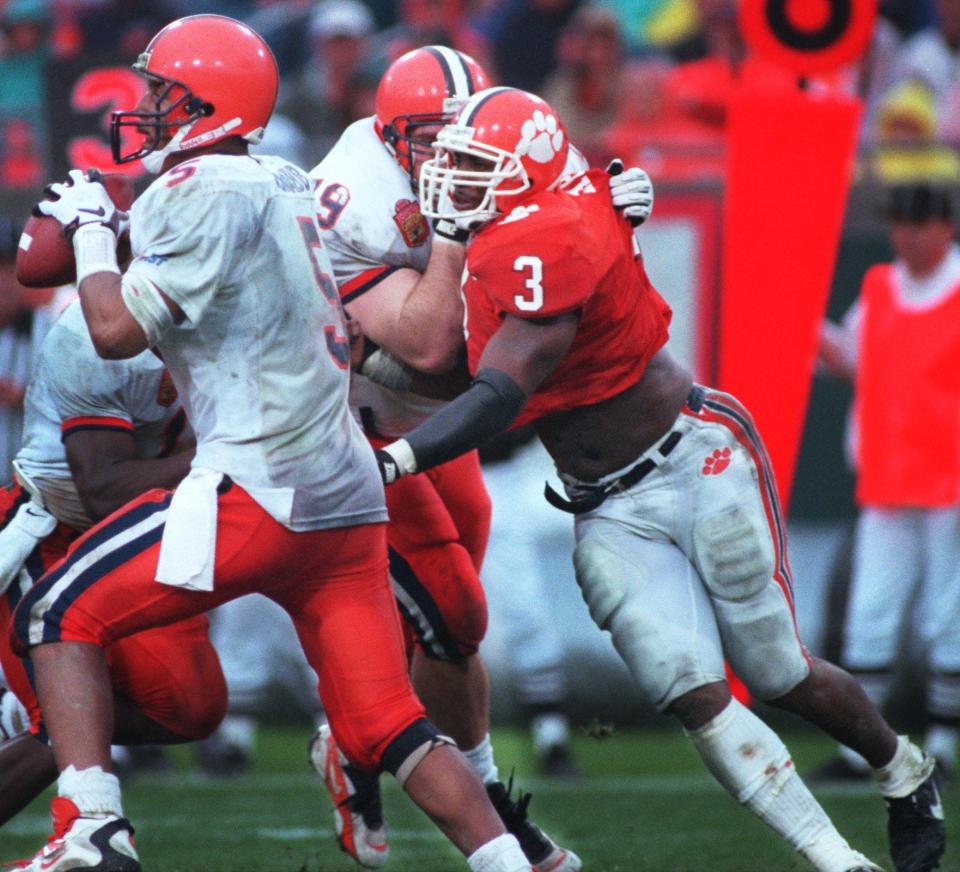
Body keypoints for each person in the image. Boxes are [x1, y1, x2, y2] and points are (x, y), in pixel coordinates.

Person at [5, 16, 534, 872]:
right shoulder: (285, 178)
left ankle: (92, 828)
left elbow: (110, 329)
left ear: (205, 104)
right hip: (350, 497)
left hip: (259, 491)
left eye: (162, 95)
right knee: (389, 723)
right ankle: (514, 863)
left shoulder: (201, 191)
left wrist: (95, 232)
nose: (147, 109)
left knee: (57, 611)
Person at [374, 85, 947, 872]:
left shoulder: (556, 235)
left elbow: (500, 392)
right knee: (692, 693)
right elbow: (475, 370)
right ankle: (836, 860)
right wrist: (366, 361)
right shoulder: (511, 236)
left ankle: (903, 772)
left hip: (694, 457)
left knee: (779, 670)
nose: (454, 186)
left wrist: (396, 458)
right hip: (607, 505)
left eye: (479, 169)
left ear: (531, 172)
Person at [309, 44, 651, 868]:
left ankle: (351, 741)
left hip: (438, 421)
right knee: (456, 610)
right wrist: (462, 235)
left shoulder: (509, 146)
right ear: (391, 138)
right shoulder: (352, 196)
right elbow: (431, 343)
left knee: (450, 628)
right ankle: (491, 811)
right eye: (430, 139)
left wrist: (609, 217)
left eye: (463, 134)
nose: (449, 155)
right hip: (358, 424)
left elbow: (560, 277)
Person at [0, 298, 226, 825]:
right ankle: (86, 821)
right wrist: (226, 455)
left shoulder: (231, 315)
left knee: (192, 706)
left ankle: (23, 709)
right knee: (66, 722)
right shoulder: (94, 331)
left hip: (140, 534)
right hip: (51, 531)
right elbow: (100, 486)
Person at [817, 182, 960, 781]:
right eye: (900, 222)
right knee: (871, 612)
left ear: (946, 228)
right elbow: (855, 358)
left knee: (946, 615)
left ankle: (945, 747)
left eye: (919, 223)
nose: (906, 234)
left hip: (950, 479)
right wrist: (804, 324)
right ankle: (861, 750)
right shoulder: (878, 286)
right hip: (886, 472)